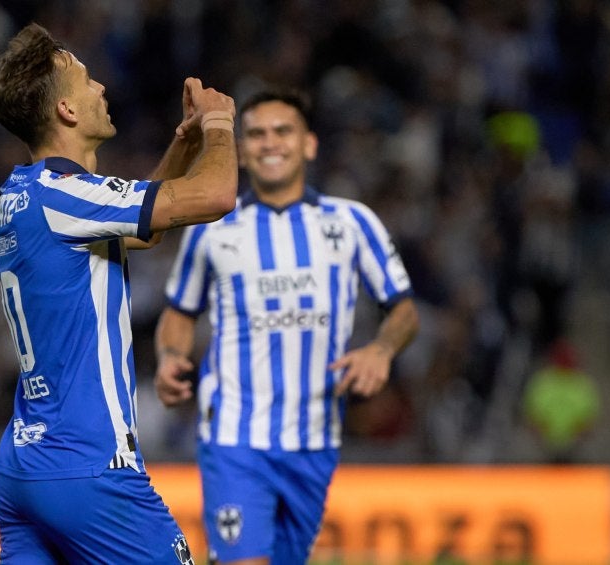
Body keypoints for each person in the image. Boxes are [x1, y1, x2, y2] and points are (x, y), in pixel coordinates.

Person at [0, 21, 238, 565]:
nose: (101, 88)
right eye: (87, 79)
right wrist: (218, 123)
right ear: (67, 112)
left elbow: (144, 231)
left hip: (24, 468)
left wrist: (183, 144)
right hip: (89, 468)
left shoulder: (25, 193)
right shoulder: (63, 197)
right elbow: (217, 194)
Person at [154, 87, 420, 564]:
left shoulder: (352, 222)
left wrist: (382, 350)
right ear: (240, 149)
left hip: (314, 440)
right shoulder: (213, 228)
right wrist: (171, 355)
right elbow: (179, 312)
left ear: (310, 144)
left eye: (283, 131)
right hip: (234, 434)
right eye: (255, 134)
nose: (269, 143)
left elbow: (403, 309)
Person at [522, 338, 600, 464]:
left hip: (573, 443)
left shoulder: (581, 383)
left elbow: (589, 413)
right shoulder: (544, 381)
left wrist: (579, 433)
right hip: (545, 442)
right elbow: (532, 408)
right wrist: (539, 430)